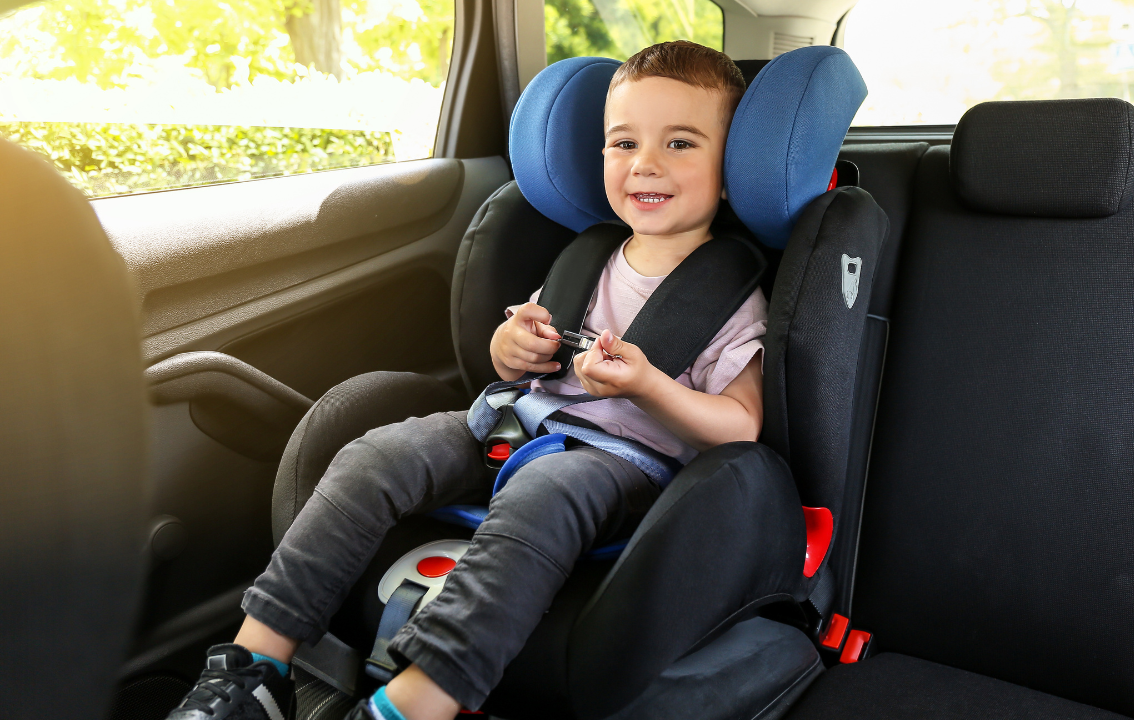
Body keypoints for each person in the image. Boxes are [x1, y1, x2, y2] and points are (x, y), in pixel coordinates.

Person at [166, 40, 766, 720]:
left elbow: (741, 424)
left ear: (730, 166)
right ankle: (255, 666)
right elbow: (507, 366)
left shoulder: (732, 294)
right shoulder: (586, 257)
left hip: (621, 462)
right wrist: (512, 346)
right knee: (374, 454)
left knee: (545, 490)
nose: (645, 164)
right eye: (623, 142)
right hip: (513, 423)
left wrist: (649, 385)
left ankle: (416, 703)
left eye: (681, 144)